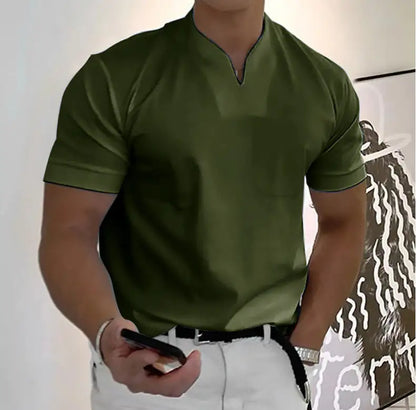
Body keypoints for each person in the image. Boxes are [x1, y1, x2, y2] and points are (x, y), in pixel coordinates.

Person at [38, 0, 368, 409]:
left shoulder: (324, 85)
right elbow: (69, 231)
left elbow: (344, 221)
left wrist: (306, 345)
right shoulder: (115, 78)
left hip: (274, 369)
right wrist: (108, 333)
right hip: (151, 365)